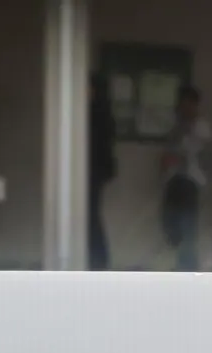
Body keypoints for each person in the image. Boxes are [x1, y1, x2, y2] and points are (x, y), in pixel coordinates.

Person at [159, 85, 209, 272]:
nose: (185, 108)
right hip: (173, 179)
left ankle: (188, 268)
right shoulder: (175, 125)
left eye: (189, 104)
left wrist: (182, 155)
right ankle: (180, 262)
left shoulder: (202, 127)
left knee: (188, 226)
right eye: (183, 104)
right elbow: (168, 149)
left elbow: (203, 154)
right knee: (170, 224)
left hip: (191, 181)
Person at [86, 72, 118, 270]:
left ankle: (98, 259)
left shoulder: (96, 112)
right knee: (91, 214)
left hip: (94, 170)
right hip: (96, 170)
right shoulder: (102, 112)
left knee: (91, 214)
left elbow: (98, 145)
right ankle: (98, 259)